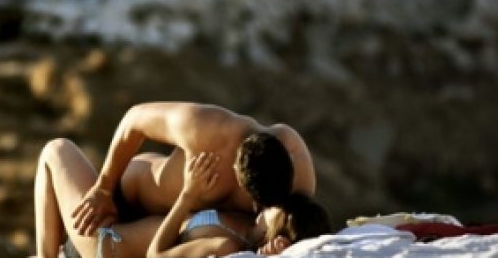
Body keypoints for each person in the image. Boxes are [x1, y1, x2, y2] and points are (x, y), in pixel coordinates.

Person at [0, 138, 330, 258]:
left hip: (104, 245)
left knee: (55, 150)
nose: (270, 205)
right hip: (110, 236)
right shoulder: (240, 223)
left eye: (277, 212)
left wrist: (188, 198)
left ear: (277, 232)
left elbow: (158, 254)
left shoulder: (226, 247)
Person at [72, 102, 316, 238]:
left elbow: (299, 231)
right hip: (126, 199)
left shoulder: (297, 168)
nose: (258, 213)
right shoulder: (206, 129)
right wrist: (103, 188)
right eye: (257, 206)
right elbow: (134, 120)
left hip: (164, 232)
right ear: (238, 177)